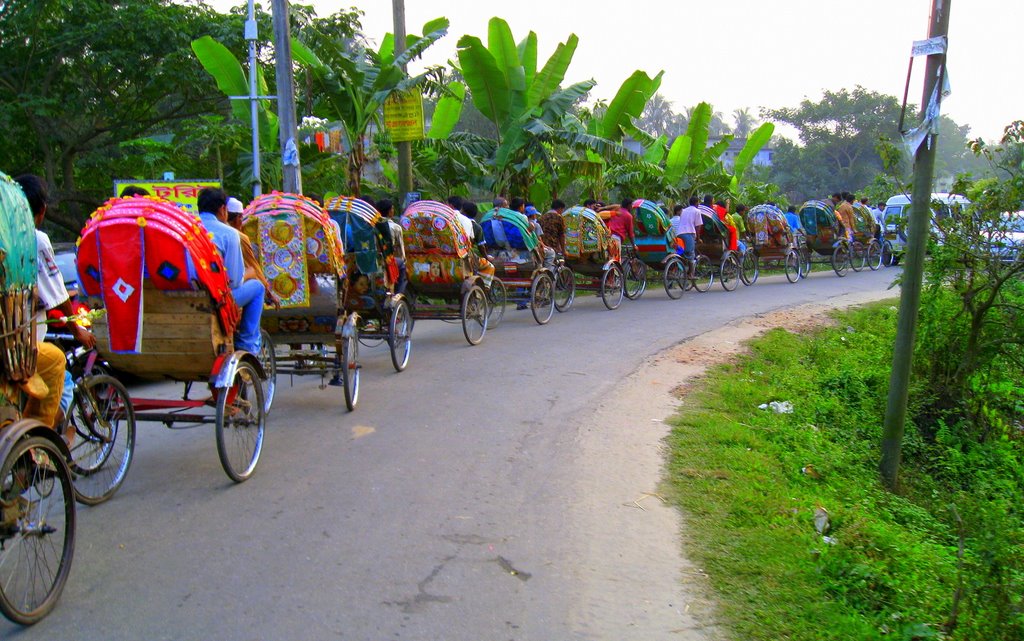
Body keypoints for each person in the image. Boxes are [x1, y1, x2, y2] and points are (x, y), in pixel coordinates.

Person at [15, 174, 95, 435]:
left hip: (23, 337)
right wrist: (77, 330)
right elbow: (58, 294)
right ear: (42, 210)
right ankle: (35, 445)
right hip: (19, 349)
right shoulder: (36, 239)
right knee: (58, 364)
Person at [197, 187, 264, 354]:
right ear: (222, 209)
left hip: (188, 293)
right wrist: (249, 274)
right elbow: (234, 281)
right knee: (257, 287)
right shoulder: (229, 234)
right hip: (217, 300)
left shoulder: (186, 228)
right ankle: (247, 343)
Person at [225, 197, 279, 307]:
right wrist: (269, 293)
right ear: (238, 218)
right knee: (255, 279)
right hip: (229, 288)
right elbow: (252, 264)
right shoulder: (238, 236)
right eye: (241, 218)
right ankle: (252, 325)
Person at [673, 196, 703, 274]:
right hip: (689, 233)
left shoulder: (683, 211)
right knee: (691, 254)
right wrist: (698, 238)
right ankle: (691, 274)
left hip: (679, 233)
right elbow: (698, 226)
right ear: (697, 203)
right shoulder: (697, 211)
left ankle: (681, 270)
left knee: (682, 253)